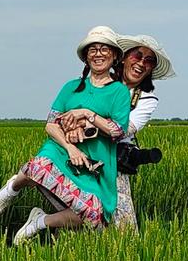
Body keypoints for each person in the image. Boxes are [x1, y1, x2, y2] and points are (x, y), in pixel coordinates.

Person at [0, 27, 131, 244]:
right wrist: (70, 147)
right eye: (92, 49)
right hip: (62, 148)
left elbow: (117, 130)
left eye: (104, 49)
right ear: (86, 57)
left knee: (92, 215)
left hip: (95, 162)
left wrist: (87, 114)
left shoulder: (119, 91)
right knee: (39, 167)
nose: (98, 54)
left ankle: (39, 221)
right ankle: (13, 187)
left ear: (114, 56)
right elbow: (51, 124)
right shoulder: (71, 87)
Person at [60, 34, 176, 231]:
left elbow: (123, 130)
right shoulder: (100, 80)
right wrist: (76, 126)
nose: (141, 63)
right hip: (82, 152)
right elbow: (68, 111)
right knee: (76, 212)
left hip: (114, 162)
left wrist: (86, 119)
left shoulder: (146, 99)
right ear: (123, 58)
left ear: (151, 70)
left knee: (124, 229)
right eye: (137, 56)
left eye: (148, 61)